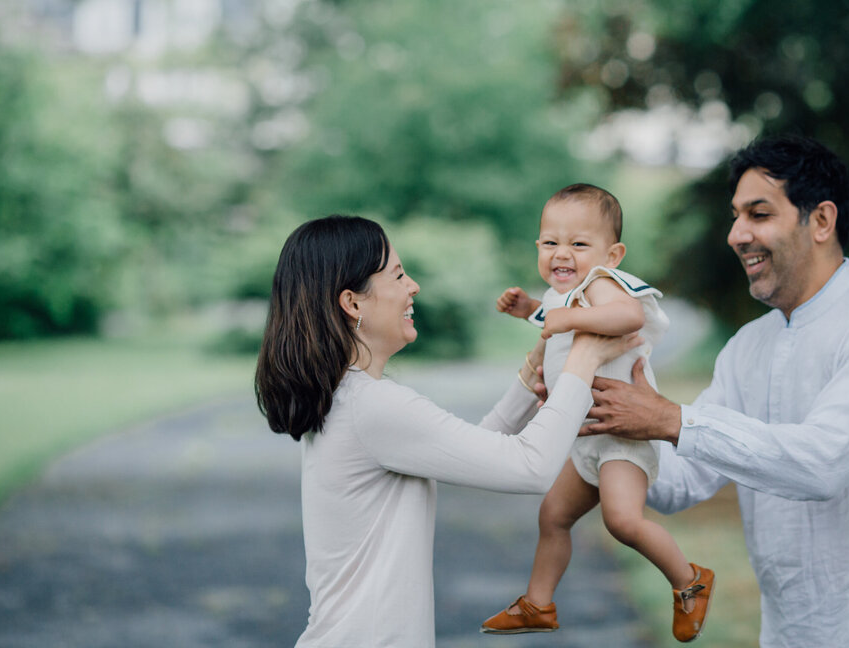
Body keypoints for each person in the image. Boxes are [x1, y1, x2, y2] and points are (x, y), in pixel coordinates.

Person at [581, 136, 849, 647]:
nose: (736, 235)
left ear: (821, 221)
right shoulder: (748, 346)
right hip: (785, 634)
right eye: (735, 217)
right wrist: (593, 418)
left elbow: (820, 464)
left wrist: (670, 419)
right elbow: (677, 482)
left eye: (758, 214)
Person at [253, 215, 640, 648]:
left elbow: (472, 446)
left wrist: (540, 358)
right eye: (398, 275)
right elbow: (530, 467)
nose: (413, 286)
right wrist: (583, 356)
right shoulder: (374, 407)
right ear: (352, 302)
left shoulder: (354, 400)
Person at [480, 184, 714, 642]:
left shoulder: (604, 283)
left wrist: (565, 319)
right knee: (553, 516)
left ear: (613, 253)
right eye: (550, 243)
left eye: (578, 244)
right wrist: (532, 309)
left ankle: (690, 580)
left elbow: (625, 317)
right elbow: (557, 320)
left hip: (624, 437)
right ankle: (538, 603)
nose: (561, 253)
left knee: (622, 521)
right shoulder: (557, 295)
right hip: (588, 440)